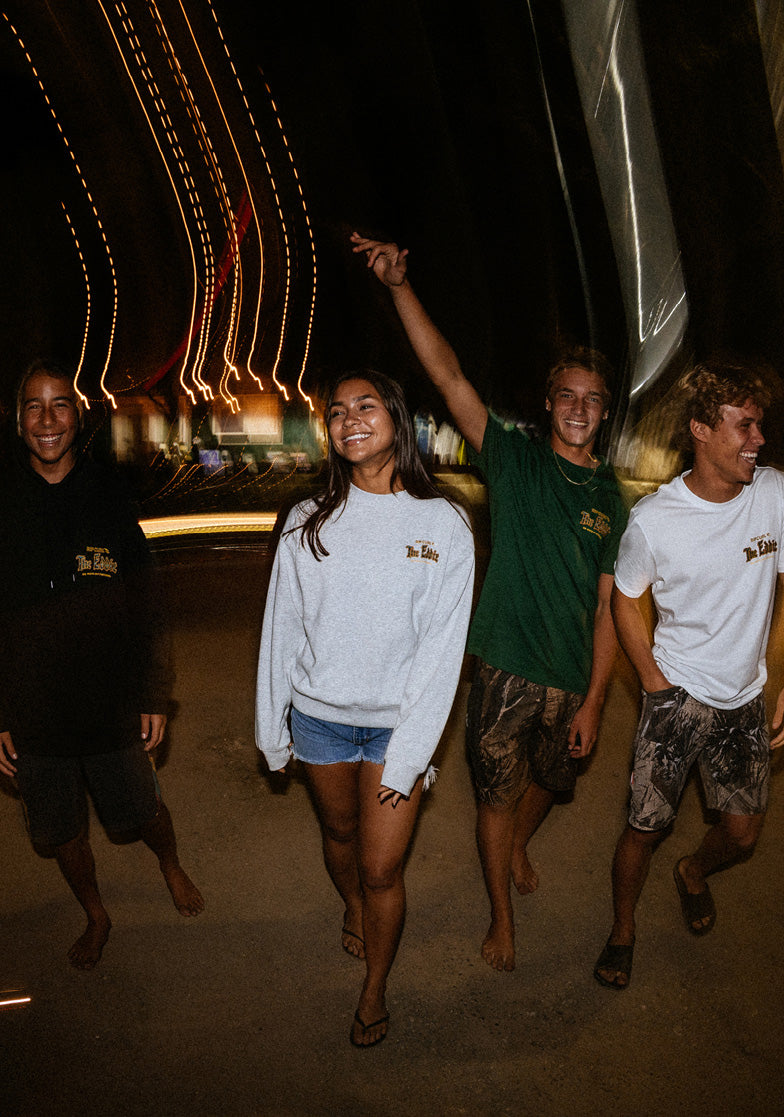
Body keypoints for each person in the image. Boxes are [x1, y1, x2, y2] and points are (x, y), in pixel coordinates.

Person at [351, 233, 627, 972]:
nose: (577, 408)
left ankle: (520, 846)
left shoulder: (613, 499)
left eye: (591, 400)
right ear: (549, 403)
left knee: (551, 784)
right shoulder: (514, 456)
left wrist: (598, 697)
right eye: (566, 395)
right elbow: (447, 376)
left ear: (604, 413)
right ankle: (501, 910)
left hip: (570, 679)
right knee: (496, 796)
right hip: (504, 668)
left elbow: (607, 611)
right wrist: (399, 284)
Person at [255, 370, 474, 1047]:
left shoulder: (443, 522)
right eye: (337, 410)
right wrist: (273, 728)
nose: (349, 418)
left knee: (382, 866)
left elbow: (443, 655)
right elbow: (281, 628)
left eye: (366, 405)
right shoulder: (306, 519)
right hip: (318, 718)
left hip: (396, 726)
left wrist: (410, 760)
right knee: (341, 838)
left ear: (397, 419)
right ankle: (349, 904)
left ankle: (375, 985)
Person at [0, 361, 204, 971]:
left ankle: (169, 863)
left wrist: (154, 694)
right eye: (33, 406)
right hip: (35, 711)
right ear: (18, 421)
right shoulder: (4, 503)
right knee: (61, 833)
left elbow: (146, 599)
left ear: (77, 415)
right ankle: (96, 914)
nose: (47, 419)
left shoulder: (108, 495)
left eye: (59, 404)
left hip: (110, 700)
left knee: (141, 812)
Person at [594, 360, 784, 990]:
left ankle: (693, 872)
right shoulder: (654, 519)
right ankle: (622, 930)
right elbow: (625, 598)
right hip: (677, 696)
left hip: (745, 701)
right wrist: (651, 681)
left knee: (741, 833)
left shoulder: (774, 494)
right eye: (745, 426)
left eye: (760, 426)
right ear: (701, 430)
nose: (758, 439)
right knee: (645, 826)